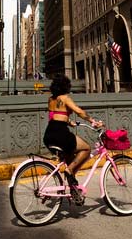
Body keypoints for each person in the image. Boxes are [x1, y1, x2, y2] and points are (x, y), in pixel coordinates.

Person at [44, 74, 102, 202]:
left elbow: (54, 115)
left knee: (70, 159)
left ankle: (74, 189)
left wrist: (69, 122)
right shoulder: (65, 98)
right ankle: (69, 171)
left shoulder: (51, 99)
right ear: (65, 86)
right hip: (60, 133)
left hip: (49, 134)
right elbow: (79, 111)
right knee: (86, 149)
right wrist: (93, 121)